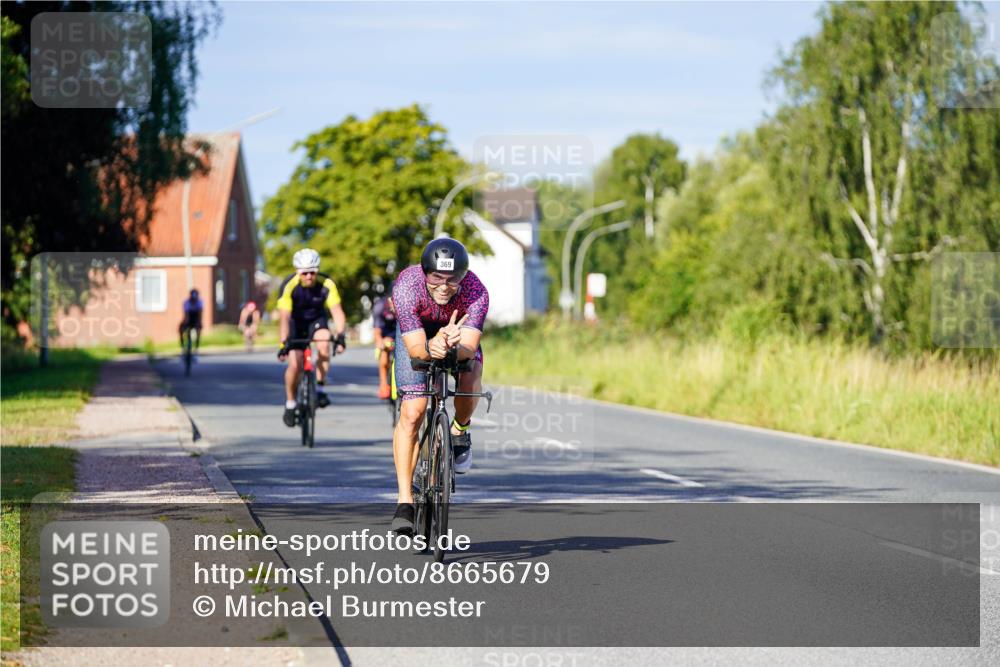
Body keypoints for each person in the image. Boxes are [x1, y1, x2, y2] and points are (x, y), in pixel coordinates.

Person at [389, 238, 489, 534]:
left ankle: (460, 430)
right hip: (418, 335)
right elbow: (418, 351)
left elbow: (469, 348)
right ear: (425, 272)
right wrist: (433, 344)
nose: (444, 286)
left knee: (471, 375)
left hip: (458, 337)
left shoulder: (475, 291)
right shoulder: (407, 286)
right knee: (413, 411)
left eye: (452, 279)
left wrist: (450, 346)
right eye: (436, 278)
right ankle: (405, 500)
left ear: (463, 275)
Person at [275, 249, 347, 427]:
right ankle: (291, 403)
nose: (309, 276)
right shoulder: (289, 285)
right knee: (295, 365)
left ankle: (320, 388)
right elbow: (284, 317)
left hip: (316, 320)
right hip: (295, 323)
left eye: (312, 272)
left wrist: (341, 335)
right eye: (304, 272)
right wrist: (283, 342)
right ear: (298, 271)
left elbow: (337, 312)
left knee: (324, 342)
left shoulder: (327, 284)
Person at [372, 289, 397, 399]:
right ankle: (383, 385)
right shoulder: (380, 306)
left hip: (400, 332)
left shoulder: (406, 303)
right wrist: (379, 342)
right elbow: (377, 330)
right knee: (384, 353)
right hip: (385, 333)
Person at [178, 289, 204, 358]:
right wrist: (185, 325)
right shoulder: (186, 302)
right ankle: (183, 347)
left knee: (198, 331)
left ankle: (196, 348)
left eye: (195, 298)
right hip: (188, 318)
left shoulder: (199, 302)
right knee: (180, 329)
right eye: (192, 298)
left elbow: (200, 314)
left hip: (196, 319)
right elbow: (186, 315)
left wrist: (199, 323)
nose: (194, 300)